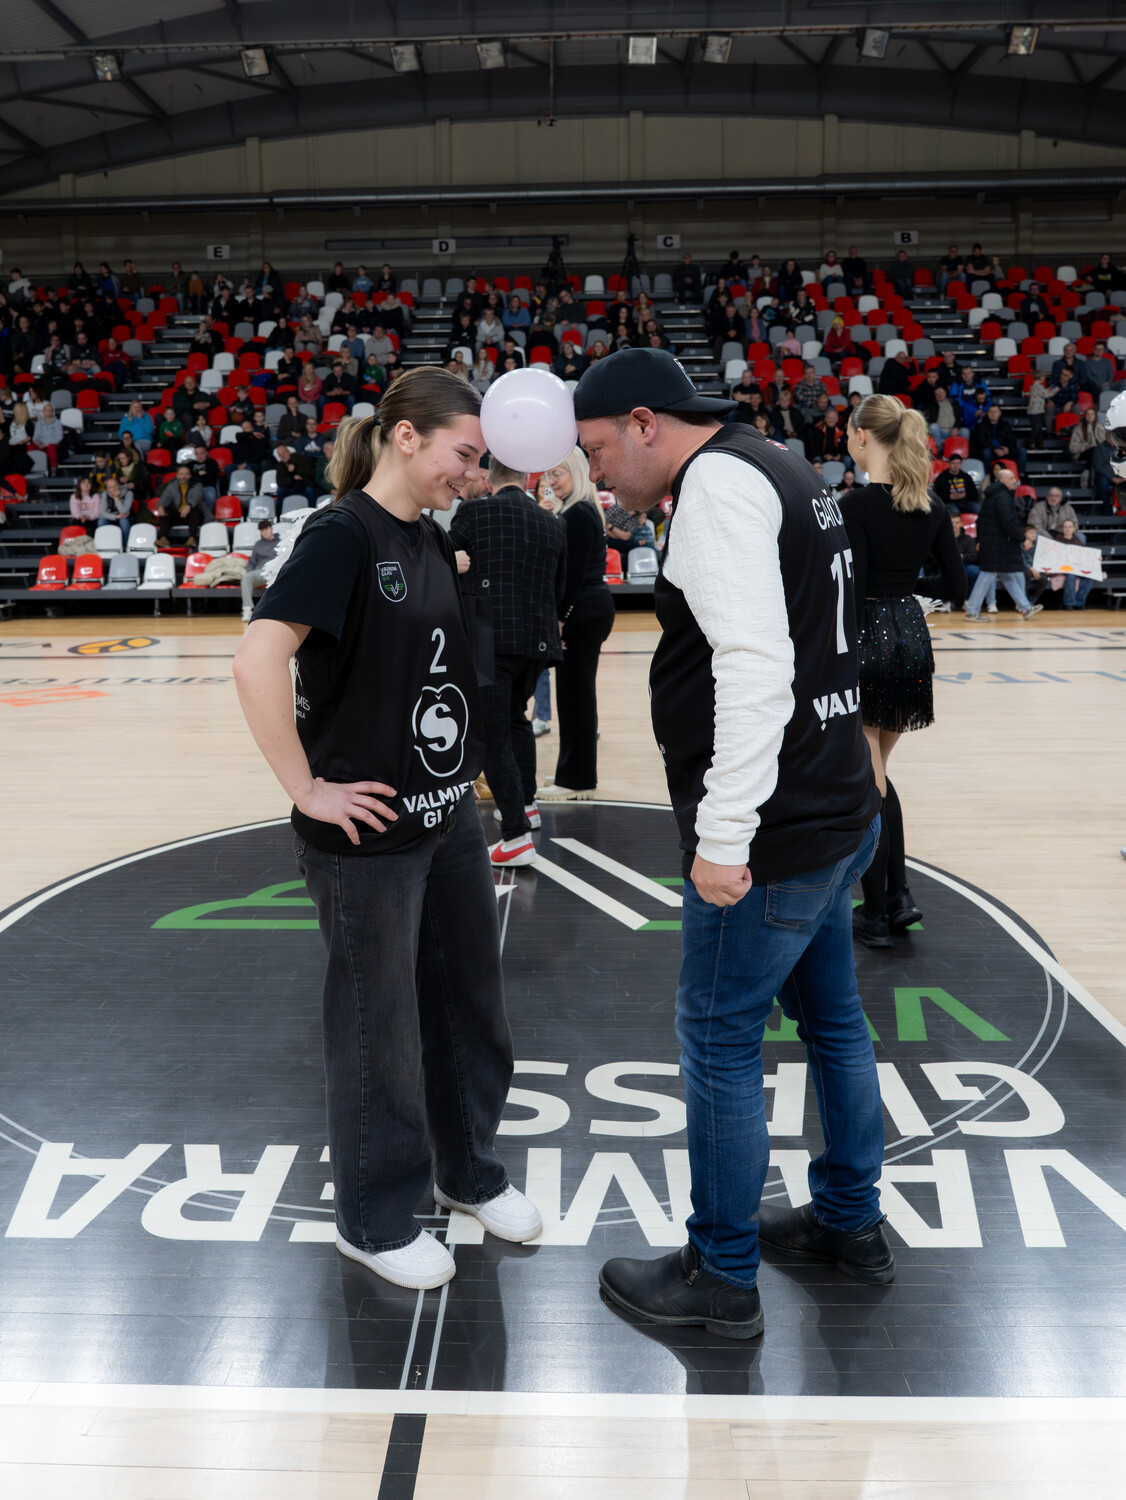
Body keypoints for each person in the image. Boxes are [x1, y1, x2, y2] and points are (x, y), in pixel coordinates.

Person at [573, 345, 887, 1341]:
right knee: (834, 1024)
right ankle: (849, 1221)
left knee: (718, 1038)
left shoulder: (714, 489)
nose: (595, 475)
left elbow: (755, 668)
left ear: (645, 424)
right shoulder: (778, 459)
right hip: (836, 801)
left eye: (597, 449)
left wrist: (722, 835)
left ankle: (721, 1274)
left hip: (775, 831)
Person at [232, 368, 541, 1292]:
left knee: (469, 1009)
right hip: (367, 835)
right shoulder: (342, 535)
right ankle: (371, 1217)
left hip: (445, 820)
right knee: (381, 1030)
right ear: (406, 438)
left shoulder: (430, 536)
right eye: (464, 454)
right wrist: (306, 789)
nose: (474, 474)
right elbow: (256, 659)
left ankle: (467, 1172)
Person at [841, 395, 966, 948]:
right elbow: (957, 587)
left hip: (868, 638)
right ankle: (898, 897)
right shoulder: (930, 504)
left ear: (863, 436)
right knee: (879, 774)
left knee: (868, 781)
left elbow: (852, 593)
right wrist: (906, 592)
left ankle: (875, 910)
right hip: (911, 637)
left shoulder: (855, 506)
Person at [449, 455, 566, 864]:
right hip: (537, 639)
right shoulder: (552, 522)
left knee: (493, 736)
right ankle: (527, 806)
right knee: (518, 721)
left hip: (486, 636)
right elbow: (560, 588)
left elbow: (447, 567)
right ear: (527, 478)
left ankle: (515, 837)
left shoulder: (473, 512)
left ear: (489, 478)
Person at [533, 447, 615, 804]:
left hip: (582, 613)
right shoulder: (576, 510)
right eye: (548, 475)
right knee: (573, 696)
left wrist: (560, 618)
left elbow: (574, 577)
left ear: (576, 473)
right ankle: (572, 771)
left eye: (557, 474)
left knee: (575, 697)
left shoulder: (579, 513)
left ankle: (578, 779)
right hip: (586, 611)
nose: (551, 481)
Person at [964, 468, 1045, 622]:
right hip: (997, 545)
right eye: (1011, 478)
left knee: (1006, 575)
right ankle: (972, 611)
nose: (1015, 480)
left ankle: (1025, 607)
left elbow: (981, 521)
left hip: (994, 544)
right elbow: (1008, 522)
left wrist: (980, 539)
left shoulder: (992, 495)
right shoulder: (1003, 496)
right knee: (987, 574)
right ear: (1002, 480)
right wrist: (1022, 539)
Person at [156, 464, 206, 547]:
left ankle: (192, 538)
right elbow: (165, 497)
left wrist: (189, 506)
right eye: (181, 474)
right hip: (178, 514)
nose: (183, 477)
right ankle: (163, 538)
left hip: (191, 516)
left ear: (190, 476)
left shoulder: (196, 485)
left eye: (186, 474)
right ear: (177, 476)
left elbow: (197, 496)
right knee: (165, 511)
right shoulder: (172, 485)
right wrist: (161, 506)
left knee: (195, 510)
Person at [239, 519, 279, 622]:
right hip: (261, 572)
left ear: (271, 528)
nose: (265, 532)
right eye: (262, 530)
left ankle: (278, 611)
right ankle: (247, 610)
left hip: (275, 571)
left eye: (266, 529)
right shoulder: (258, 544)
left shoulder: (280, 543)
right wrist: (249, 571)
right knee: (247, 577)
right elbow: (252, 562)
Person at [98, 474, 133, 542]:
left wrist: (116, 498)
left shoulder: (128, 493)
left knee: (124, 521)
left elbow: (124, 512)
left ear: (118, 485)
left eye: (115, 486)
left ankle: (125, 546)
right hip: (112, 516)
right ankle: (103, 543)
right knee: (101, 520)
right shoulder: (105, 494)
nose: (114, 489)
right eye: (111, 487)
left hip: (126, 517)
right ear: (107, 488)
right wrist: (116, 517)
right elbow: (102, 512)